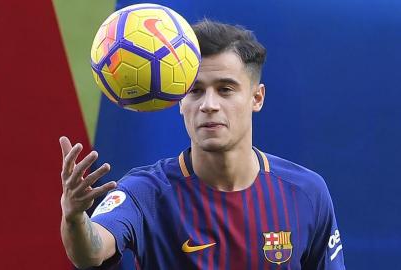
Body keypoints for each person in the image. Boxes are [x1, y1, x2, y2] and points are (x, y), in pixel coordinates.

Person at [60, 19, 345, 270]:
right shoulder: (144, 192)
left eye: (225, 90)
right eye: (195, 91)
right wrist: (74, 218)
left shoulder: (307, 192)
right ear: (180, 101)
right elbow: (91, 253)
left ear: (256, 98)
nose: (209, 105)